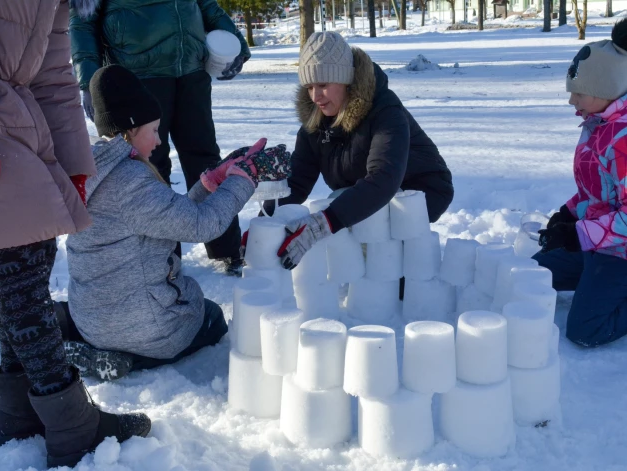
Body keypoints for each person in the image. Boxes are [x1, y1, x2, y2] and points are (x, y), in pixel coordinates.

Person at [0, 1, 150, 468]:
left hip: (13, 112)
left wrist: (74, 163)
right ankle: (72, 426)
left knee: (30, 255)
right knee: (22, 263)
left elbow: (52, 73)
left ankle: (21, 410)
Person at [63, 65, 290, 380]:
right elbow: (201, 225)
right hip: (140, 326)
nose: (158, 141)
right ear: (130, 128)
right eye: (153, 130)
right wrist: (244, 179)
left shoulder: (95, 168)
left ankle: (103, 344)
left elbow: (166, 217)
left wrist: (211, 183)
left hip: (92, 318)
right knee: (210, 317)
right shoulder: (129, 179)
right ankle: (128, 358)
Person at [69, 0, 251, 275]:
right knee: (150, 167)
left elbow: (206, 4)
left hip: (191, 68)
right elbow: (83, 21)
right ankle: (162, 258)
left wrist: (234, 40)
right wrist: (90, 80)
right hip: (138, 73)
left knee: (206, 158)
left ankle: (227, 247)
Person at [263, 32, 454, 270]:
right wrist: (265, 223)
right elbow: (298, 181)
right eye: (310, 86)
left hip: (420, 191)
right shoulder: (316, 123)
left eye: (323, 85)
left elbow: (383, 178)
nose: (315, 96)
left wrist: (323, 224)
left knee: (352, 218)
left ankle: (398, 276)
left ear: (345, 80)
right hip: (368, 189)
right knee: (341, 204)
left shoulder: (385, 113)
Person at [534, 19, 627, 348]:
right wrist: (568, 213)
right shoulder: (599, 124)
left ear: (605, 89)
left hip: (621, 251)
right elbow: (598, 188)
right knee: (531, 276)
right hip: (601, 241)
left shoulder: (622, 140)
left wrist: (581, 234)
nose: (572, 100)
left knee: (585, 330)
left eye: (579, 93)